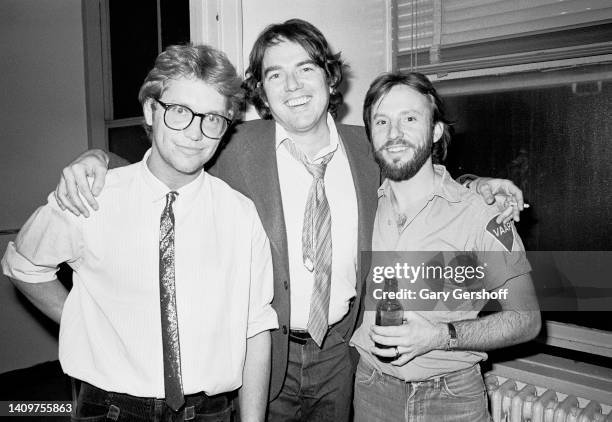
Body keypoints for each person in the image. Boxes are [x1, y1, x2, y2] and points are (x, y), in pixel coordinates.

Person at [51, 20, 526, 422]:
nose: (293, 86)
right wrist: (96, 159)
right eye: (275, 75)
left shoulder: (370, 146)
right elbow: (166, 160)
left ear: (330, 78)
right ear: (262, 92)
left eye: (305, 69)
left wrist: (477, 182)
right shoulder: (234, 146)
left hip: (343, 355)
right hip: (263, 356)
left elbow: (419, 166)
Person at [1, 44, 277, 422]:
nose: (195, 133)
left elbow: (255, 325)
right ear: (151, 109)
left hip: (210, 411)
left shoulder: (240, 215)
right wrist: (83, 321)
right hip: (110, 409)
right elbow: (22, 265)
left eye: (212, 118)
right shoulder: (91, 195)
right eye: (180, 111)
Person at [350, 71, 541, 422]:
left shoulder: (482, 213)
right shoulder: (361, 198)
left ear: (436, 130)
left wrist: (440, 336)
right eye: (382, 121)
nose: (394, 134)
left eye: (409, 118)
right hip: (371, 391)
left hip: (452, 400)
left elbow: (526, 320)